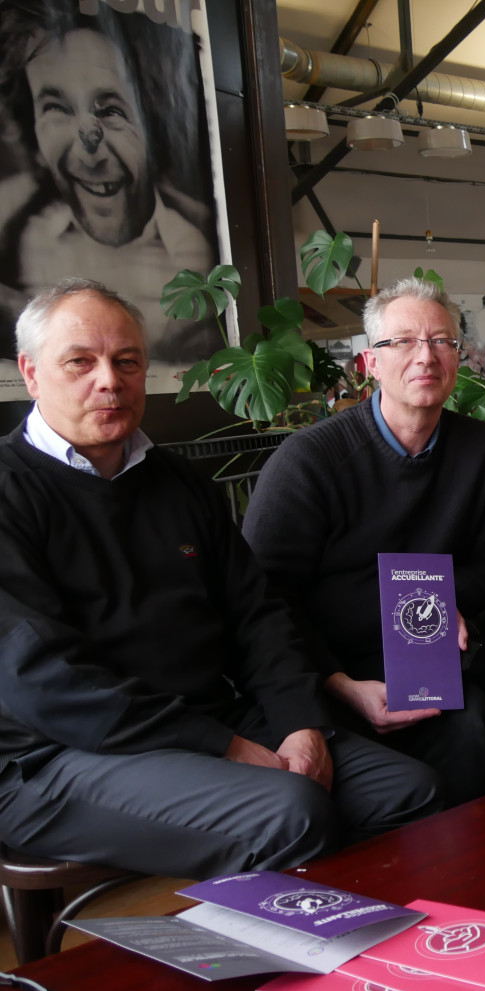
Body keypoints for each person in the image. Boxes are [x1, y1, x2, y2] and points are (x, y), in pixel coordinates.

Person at [0, 279, 442, 879]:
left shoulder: (177, 482)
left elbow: (257, 613)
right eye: (80, 362)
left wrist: (300, 725)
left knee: (407, 789)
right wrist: (227, 750)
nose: (108, 379)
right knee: (291, 812)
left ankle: (361, 953)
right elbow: (43, 683)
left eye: (126, 361)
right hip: (54, 756)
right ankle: (264, 965)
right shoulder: (10, 491)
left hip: (207, 719)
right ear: (30, 373)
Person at [244, 277, 485, 809]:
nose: (426, 357)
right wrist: (339, 684)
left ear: (458, 359)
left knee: (476, 730)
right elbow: (263, 597)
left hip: (430, 661)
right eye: (404, 341)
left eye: (441, 341)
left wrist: (450, 602)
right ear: (369, 362)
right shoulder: (310, 461)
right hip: (327, 670)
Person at [0, 3, 215, 361]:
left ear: (155, 127)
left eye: (111, 110)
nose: (89, 157)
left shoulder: (204, 244)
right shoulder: (11, 231)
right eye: (55, 107)